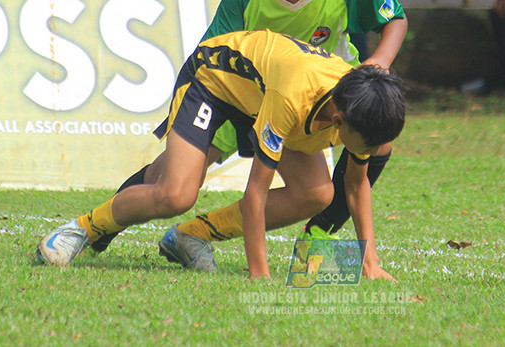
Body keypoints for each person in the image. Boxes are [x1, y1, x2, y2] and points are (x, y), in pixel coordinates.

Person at [89, 0, 408, 263]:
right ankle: (98, 225)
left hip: (309, 100)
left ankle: (314, 238)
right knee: (171, 184)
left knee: (371, 147)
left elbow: (396, 19)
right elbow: (214, 58)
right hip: (237, 92)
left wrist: (379, 63)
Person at [36, 29, 406, 280]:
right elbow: (255, 193)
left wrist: (369, 260)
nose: (376, 152)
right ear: (339, 120)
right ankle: (81, 228)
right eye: (371, 145)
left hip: (258, 94)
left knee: (318, 193)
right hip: (213, 79)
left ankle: (191, 236)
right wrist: (259, 275)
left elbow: (356, 186)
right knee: (175, 194)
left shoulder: (358, 105)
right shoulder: (295, 97)